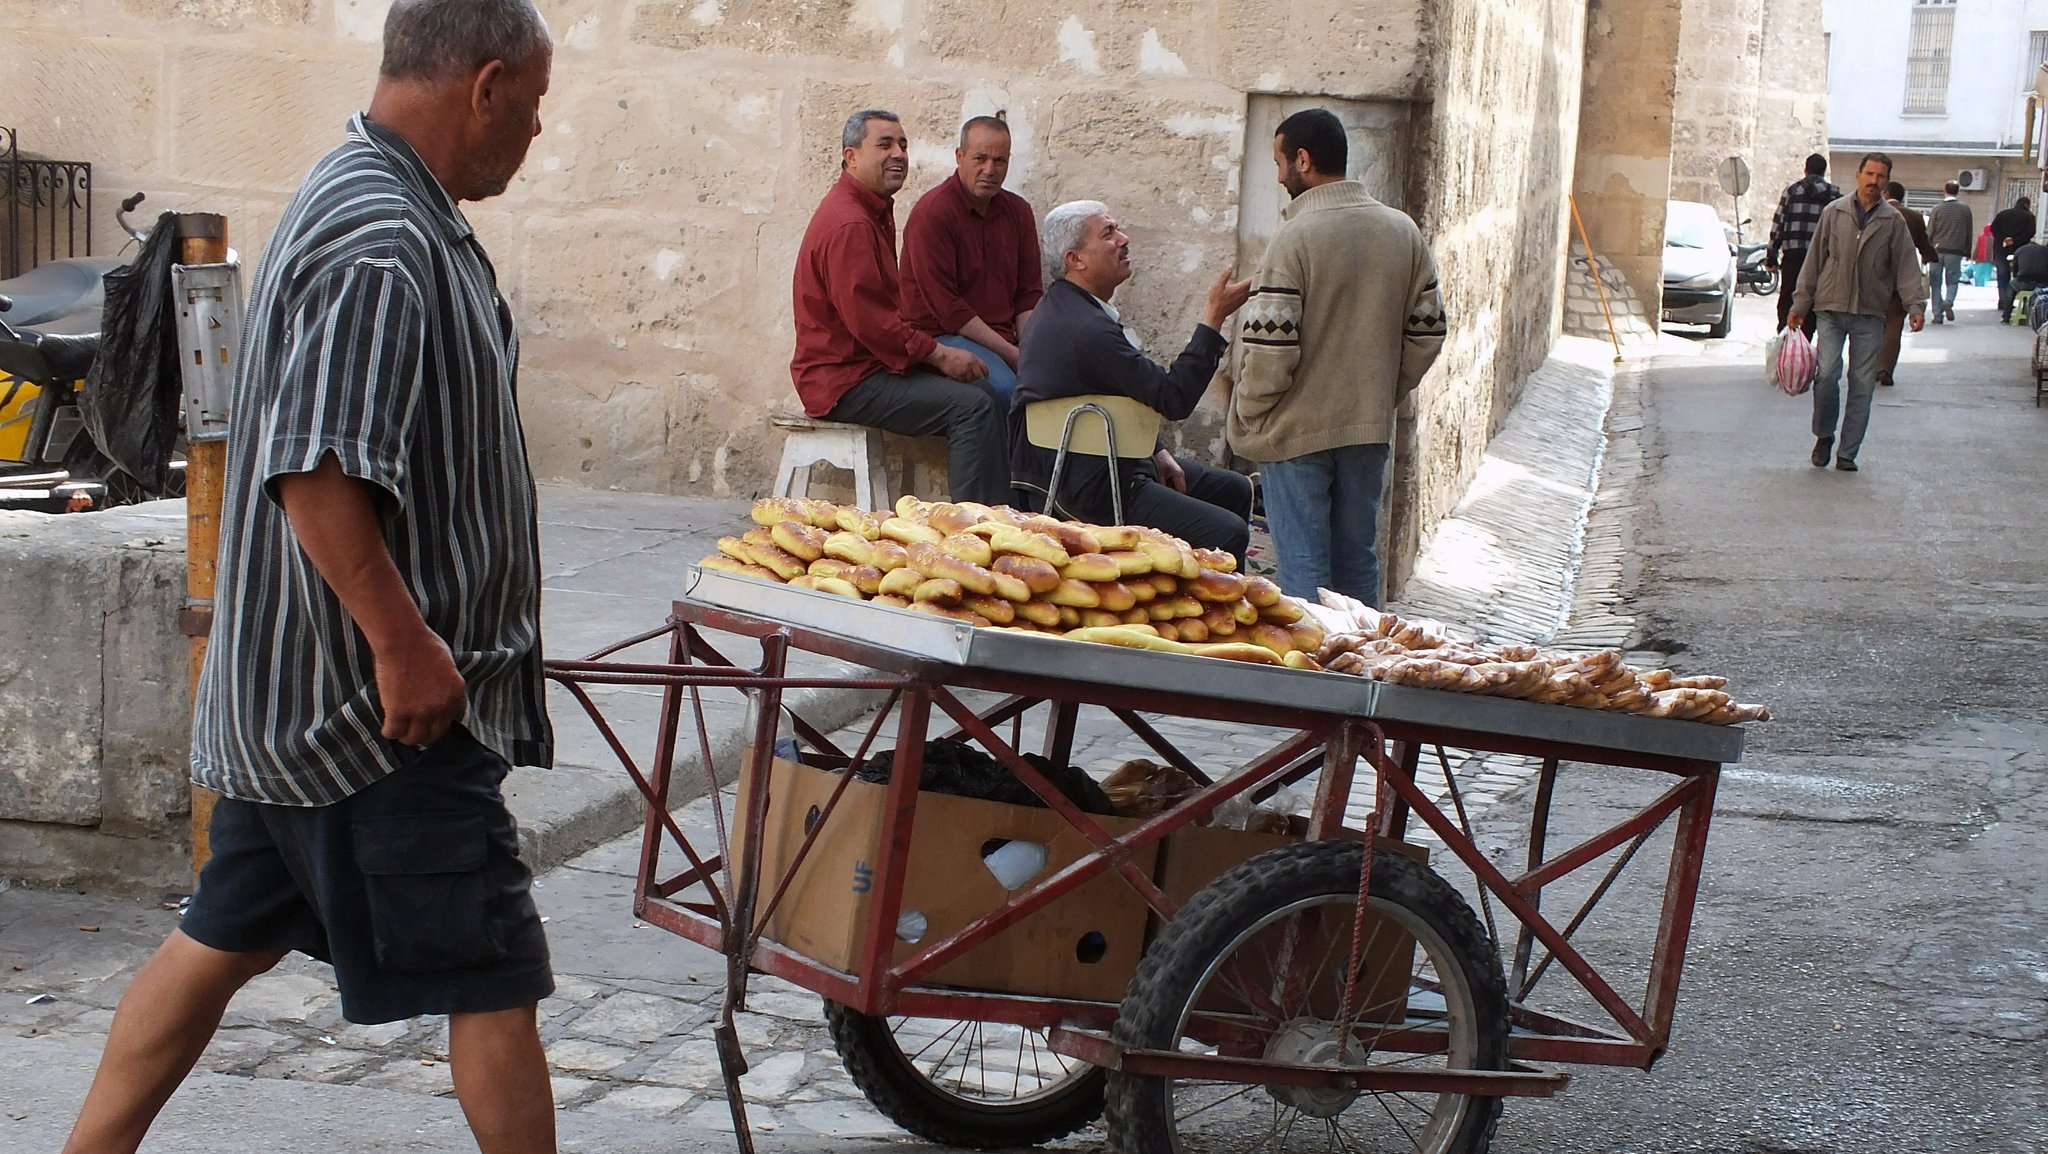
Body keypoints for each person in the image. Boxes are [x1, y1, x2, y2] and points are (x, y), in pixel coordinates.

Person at [62, 4, 559, 1153]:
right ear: (484, 86)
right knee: (492, 973)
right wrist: (403, 643)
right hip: (372, 722)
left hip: (298, 709)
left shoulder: (365, 195)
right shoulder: (379, 234)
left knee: (219, 936)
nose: (532, 138)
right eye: (528, 110)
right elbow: (318, 469)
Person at [1229, 108, 1446, 606]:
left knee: (1304, 566)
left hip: (1294, 430)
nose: (1280, 176)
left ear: (1302, 160)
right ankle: (1362, 669)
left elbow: (1270, 350)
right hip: (1365, 426)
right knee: (1357, 561)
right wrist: (1381, 390)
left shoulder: (1293, 238)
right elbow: (1429, 330)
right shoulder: (1401, 231)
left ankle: (1313, 680)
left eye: (1281, 162)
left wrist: (1252, 411)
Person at [790, 109, 1010, 505]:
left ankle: (998, 517)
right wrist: (939, 355)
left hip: (866, 366)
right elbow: (872, 324)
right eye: (885, 145)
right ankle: (975, 533)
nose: (898, 154)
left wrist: (932, 355)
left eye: (903, 145)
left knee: (986, 393)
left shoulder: (868, 210)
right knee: (974, 408)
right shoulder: (851, 223)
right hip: (845, 381)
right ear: (851, 156)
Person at [1012, 200, 1253, 559]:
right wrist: (1213, 319)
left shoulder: (1072, 309)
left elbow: (1117, 397)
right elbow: (1174, 398)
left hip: (1107, 461)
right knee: (1228, 532)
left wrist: (1156, 450)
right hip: (1086, 486)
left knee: (1235, 489)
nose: (1123, 239)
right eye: (1108, 233)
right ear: (1075, 259)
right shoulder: (1087, 329)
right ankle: (1193, 611)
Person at [1787, 152, 1926, 474]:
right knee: (1826, 375)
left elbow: (1907, 267)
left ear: (1886, 181)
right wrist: (1800, 304)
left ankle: (1848, 452)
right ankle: (1824, 435)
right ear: (1858, 174)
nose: (1874, 181)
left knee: (1862, 384)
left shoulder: (1893, 221)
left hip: (1870, 313)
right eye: (1869, 174)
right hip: (1831, 309)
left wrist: (1914, 306)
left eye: (1880, 176)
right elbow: (1814, 262)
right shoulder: (1833, 213)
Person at [899, 114, 1043, 407]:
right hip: (944, 336)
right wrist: (1013, 355)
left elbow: (1028, 295)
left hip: (1003, 338)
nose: (989, 170)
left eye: (999, 161)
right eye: (980, 159)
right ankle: (1007, 456)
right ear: (959, 156)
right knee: (1011, 393)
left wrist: (1030, 349)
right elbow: (949, 310)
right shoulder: (934, 213)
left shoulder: (1018, 212)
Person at [1766, 154, 1842, 338]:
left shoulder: (1791, 191)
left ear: (1806, 169)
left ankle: (1786, 338)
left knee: (1787, 300)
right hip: (1821, 260)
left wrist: (1772, 255)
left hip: (1793, 256)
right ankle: (1806, 339)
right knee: (1813, 302)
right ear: (1823, 172)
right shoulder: (1835, 195)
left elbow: (1779, 223)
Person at [1877, 180, 1937, 388]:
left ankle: (1869, 367)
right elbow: (1923, 244)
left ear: (1885, 193)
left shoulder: (1874, 212)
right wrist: (1931, 256)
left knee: (1872, 324)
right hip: (1901, 278)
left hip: (1874, 278)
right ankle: (1886, 368)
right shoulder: (1914, 216)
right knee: (1894, 324)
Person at [1925, 180, 1972, 323]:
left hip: (1937, 250)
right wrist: (1967, 251)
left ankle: (1937, 315)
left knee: (1936, 283)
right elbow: (1968, 232)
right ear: (1958, 191)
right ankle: (1949, 301)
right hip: (1956, 251)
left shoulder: (1937, 209)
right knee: (1952, 280)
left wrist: (1926, 250)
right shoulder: (1965, 209)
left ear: (1944, 190)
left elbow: (1930, 231)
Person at [1990, 195, 2037, 322]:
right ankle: (2012, 302)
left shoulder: (2003, 214)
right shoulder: (2029, 217)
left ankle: (2003, 301)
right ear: (2027, 205)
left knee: (2003, 274)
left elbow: (1993, 228)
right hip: (2020, 251)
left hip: (2001, 249)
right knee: (2018, 276)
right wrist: (2014, 240)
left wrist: (2004, 239)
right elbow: (2030, 233)